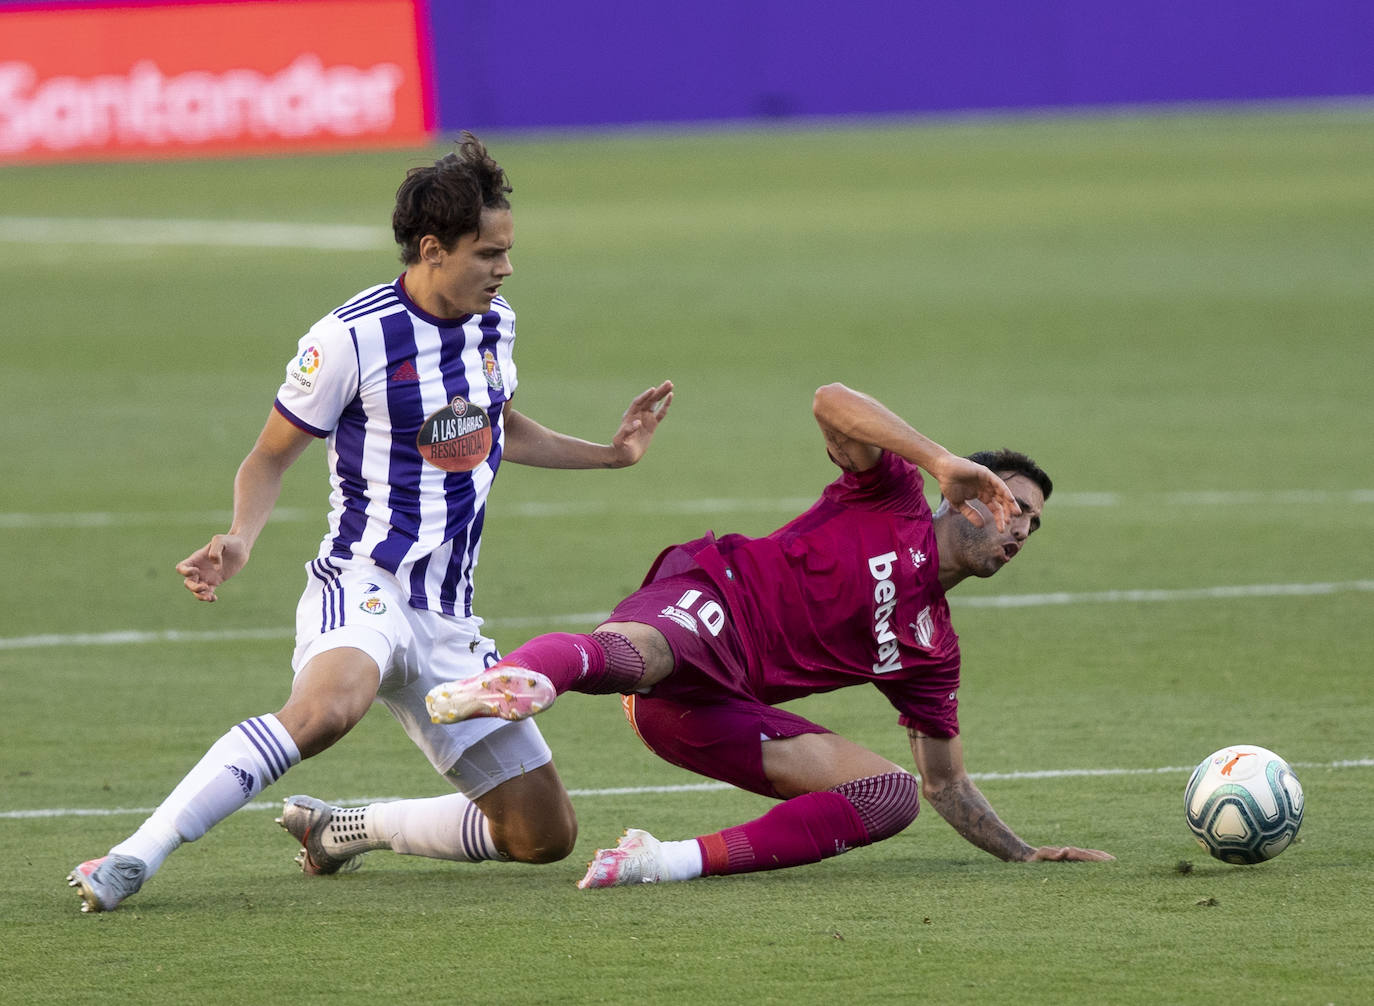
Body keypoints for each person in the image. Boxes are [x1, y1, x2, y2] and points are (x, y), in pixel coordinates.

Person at [66, 133, 674, 913]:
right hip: (364, 581)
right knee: (329, 708)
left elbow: (496, 425)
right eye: (490, 253)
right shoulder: (349, 337)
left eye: (508, 251)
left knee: (542, 835)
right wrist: (240, 537)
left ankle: (348, 829)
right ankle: (130, 858)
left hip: (447, 617)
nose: (506, 268)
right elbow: (268, 456)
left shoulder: (497, 324)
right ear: (432, 248)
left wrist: (610, 456)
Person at [415, 382, 1113, 887]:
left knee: (891, 795)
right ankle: (519, 678)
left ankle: (664, 861)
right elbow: (830, 400)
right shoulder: (893, 494)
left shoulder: (932, 647)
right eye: (1011, 504)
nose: (1021, 525)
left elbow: (946, 782)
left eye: (1034, 522)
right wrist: (939, 460)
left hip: (704, 710)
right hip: (708, 600)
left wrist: (1021, 853)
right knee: (646, 654)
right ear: (964, 497)